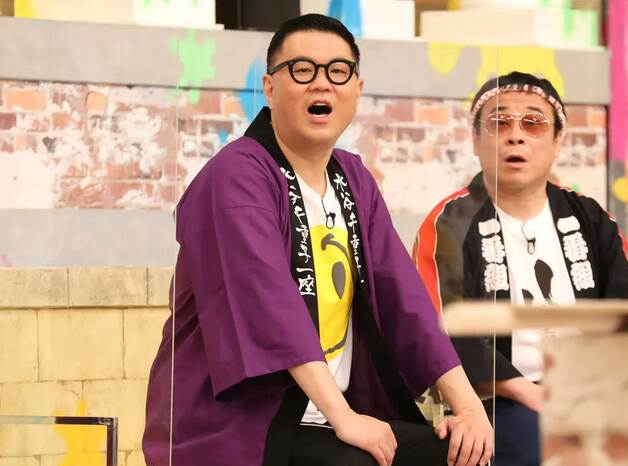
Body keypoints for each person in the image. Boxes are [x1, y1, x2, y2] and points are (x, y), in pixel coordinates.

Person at [143, 14, 493, 466]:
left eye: (338, 71)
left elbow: (403, 298)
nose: (322, 83)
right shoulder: (238, 175)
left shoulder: (353, 178)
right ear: (269, 87)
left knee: (466, 454)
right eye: (302, 70)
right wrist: (343, 418)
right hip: (238, 422)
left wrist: (469, 409)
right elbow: (270, 303)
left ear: (357, 89)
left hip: (328, 416)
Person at [413, 71, 628, 466]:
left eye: (533, 122)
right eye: (499, 122)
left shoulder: (590, 217)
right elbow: (440, 323)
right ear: (475, 140)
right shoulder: (450, 221)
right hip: (497, 399)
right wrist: (528, 392)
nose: (515, 136)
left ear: (558, 140)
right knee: (544, 444)